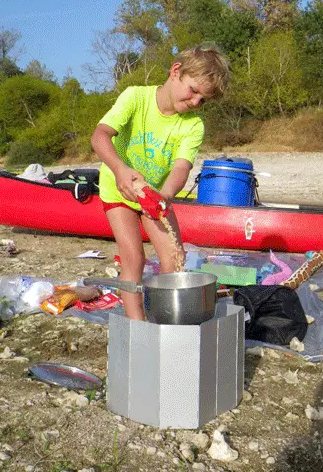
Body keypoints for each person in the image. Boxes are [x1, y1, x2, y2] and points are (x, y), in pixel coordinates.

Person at [91, 45, 230, 320]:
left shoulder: (193, 125)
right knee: (134, 258)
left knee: (175, 259)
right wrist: (120, 170)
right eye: (193, 90)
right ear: (176, 71)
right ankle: (137, 324)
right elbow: (100, 136)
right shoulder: (136, 98)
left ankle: (167, 319)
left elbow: (181, 167)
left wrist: (164, 195)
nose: (195, 102)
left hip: (156, 194)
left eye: (204, 100)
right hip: (118, 189)